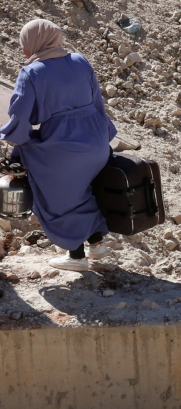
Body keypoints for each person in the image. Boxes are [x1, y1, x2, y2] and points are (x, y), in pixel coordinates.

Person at [1, 19, 116, 272]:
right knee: (85, 188)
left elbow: (20, 117)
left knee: (55, 195)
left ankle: (76, 257)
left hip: (65, 144)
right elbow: (98, 101)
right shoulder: (79, 60)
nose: (23, 51)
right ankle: (96, 244)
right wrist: (105, 135)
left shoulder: (31, 72)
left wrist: (14, 138)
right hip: (97, 140)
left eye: (24, 45)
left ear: (33, 43)